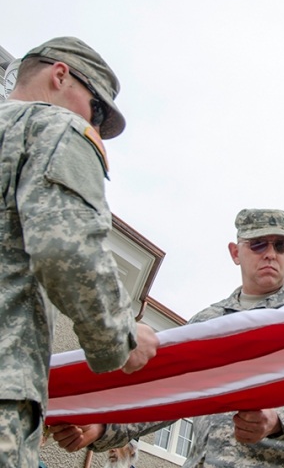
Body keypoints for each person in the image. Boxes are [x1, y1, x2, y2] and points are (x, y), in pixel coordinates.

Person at [52, 209, 284, 467]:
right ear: (236, 253)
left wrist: (277, 420)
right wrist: (102, 429)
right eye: (258, 244)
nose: (270, 254)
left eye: (280, 245)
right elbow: (166, 392)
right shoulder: (206, 323)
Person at [0, 37, 158, 468]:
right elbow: (64, 246)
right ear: (59, 75)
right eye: (97, 108)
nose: (94, 119)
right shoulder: (52, 127)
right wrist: (121, 336)